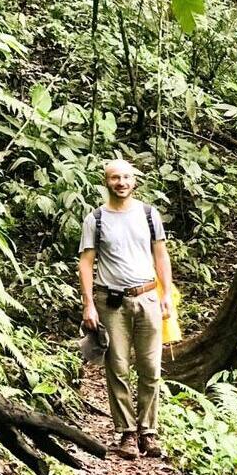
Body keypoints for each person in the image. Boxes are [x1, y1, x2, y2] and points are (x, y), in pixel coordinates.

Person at [78, 159, 173, 459]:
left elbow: (161, 255)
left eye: (127, 177)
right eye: (115, 177)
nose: (121, 182)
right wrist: (89, 304)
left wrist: (167, 294)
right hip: (111, 302)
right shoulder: (96, 219)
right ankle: (127, 433)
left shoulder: (148, 214)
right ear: (106, 182)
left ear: (135, 181)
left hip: (148, 297)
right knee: (117, 367)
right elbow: (86, 263)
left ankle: (148, 431)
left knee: (151, 367)